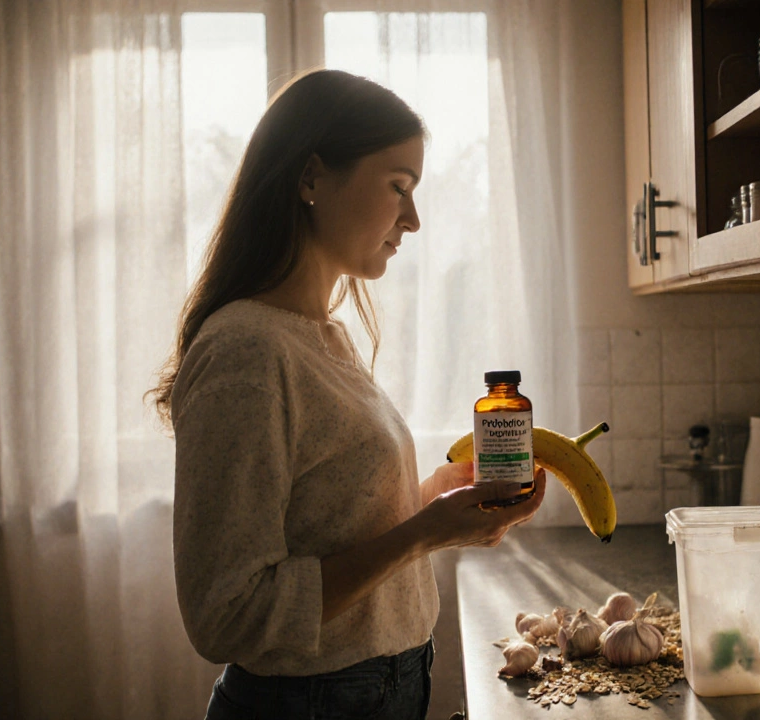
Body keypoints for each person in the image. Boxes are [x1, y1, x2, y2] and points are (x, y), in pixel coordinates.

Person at [147, 70, 545, 719]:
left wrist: (433, 502)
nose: (413, 219)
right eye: (399, 187)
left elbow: (329, 530)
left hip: (381, 688)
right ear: (310, 178)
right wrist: (422, 533)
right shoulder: (247, 351)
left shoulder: (321, 335)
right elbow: (228, 615)